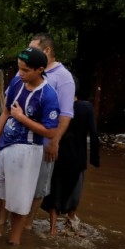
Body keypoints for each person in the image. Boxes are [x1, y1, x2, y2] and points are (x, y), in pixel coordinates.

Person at [0, 47, 61, 245]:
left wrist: (22, 118)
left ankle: (14, 241)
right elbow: (6, 111)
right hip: (3, 145)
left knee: (19, 198)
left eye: (25, 70)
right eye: (19, 69)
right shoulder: (18, 81)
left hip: (27, 149)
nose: (20, 73)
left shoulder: (48, 95)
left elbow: (50, 131)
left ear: (39, 70)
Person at [25, 33, 76, 226]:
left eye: (34, 49)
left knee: (38, 187)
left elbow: (65, 114)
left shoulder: (63, 77)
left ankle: (28, 224)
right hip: (20, 140)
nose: (29, 54)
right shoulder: (26, 70)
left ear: (47, 51)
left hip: (44, 143)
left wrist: (54, 142)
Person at [41, 78, 100, 234]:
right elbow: (93, 133)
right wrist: (95, 159)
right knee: (74, 191)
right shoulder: (86, 107)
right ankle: (72, 224)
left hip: (56, 155)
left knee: (54, 191)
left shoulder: (57, 107)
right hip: (77, 158)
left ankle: (52, 228)